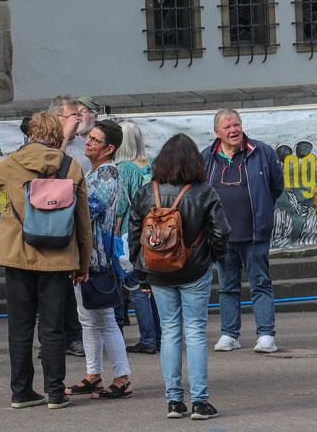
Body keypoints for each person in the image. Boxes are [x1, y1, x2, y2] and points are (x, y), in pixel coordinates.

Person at [0, 111, 92, 410]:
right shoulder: (71, 165)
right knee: (53, 328)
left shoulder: (13, 163)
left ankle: (21, 392)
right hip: (58, 257)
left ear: (30, 134)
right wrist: (83, 263)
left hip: (18, 255)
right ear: (56, 134)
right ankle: (55, 393)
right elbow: (83, 220)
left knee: (20, 327)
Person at [129, 133, 227, 420]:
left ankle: (174, 401)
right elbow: (221, 232)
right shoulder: (204, 192)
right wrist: (214, 255)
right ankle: (199, 401)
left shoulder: (147, 192)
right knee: (195, 332)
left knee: (170, 332)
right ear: (195, 161)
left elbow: (135, 232)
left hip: (158, 271)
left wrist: (141, 267)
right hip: (194, 268)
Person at [200, 109, 283, 353]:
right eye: (227, 127)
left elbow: (276, 186)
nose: (233, 130)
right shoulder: (207, 157)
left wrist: (262, 209)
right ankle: (229, 334)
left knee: (261, 283)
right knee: (227, 286)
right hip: (222, 236)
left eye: (236, 125)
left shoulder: (262, 152)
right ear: (217, 132)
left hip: (255, 233)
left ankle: (266, 335)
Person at [66, 120, 132, 400]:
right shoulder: (94, 172)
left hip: (97, 257)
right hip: (84, 255)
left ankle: (122, 377)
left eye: (95, 140)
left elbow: (90, 207)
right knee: (88, 318)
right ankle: (93, 373)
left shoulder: (107, 174)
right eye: (88, 138)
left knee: (104, 318)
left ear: (110, 148)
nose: (88, 143)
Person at [49, 94, 91, 357]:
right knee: (51, 287)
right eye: (72, 115)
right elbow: (50, 169)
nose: (78, 120)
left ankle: (74, 335)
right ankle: (52, 338)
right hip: (50, 224)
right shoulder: (47, 145)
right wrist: (63, 137)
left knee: (71, 283)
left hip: (75, 220)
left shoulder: (83, 145)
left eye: (79, 115)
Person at [116, 122, 160, 354]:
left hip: (131, 233)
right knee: (152, 286)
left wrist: (113, 235)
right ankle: (159, 336)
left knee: (135, 285)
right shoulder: (152, 164)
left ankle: (148, 339)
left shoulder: (124, 168)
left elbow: (121, 207)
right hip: (156, 233)